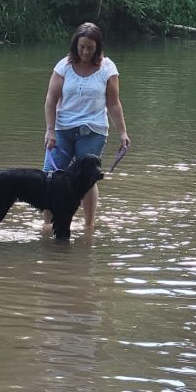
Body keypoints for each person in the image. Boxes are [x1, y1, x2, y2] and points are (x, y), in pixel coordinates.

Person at [42, 22, 131, 234]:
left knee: (88, 178)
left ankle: (88, 226)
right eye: (82, 46)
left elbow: (114, 103)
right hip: (63, 129)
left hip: (93, 130)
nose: (85, 51)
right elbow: (51, 100)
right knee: (51, 176)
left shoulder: (108, 68)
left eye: (90, 47)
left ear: (97, 47)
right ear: (76, 45)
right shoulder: (63, 66)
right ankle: (47, 225)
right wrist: (50, 130)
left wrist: (123, 132)